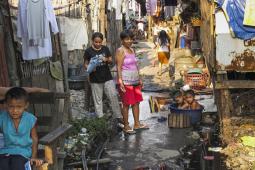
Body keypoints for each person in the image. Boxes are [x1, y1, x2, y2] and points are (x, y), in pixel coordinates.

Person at [0, 87, 43, 169]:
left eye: (19, 107)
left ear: (26, 105)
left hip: (23, 152)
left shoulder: (30, 119)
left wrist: (34, 156)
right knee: (2, 165)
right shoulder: (2, 117)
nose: (15, 110)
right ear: (5, 105)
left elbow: (34, 139)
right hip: (5, 151)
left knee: (17, 165)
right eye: (11, 106)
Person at [116, 30, 149, 134]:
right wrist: (120, 81)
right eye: (126, 39)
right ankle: (126, 126)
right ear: (122, 40)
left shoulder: (132, 50)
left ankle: (137, 124)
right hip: (126, 81)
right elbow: (119, 67)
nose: (129, 41)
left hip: (135, 80)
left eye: (131, 38)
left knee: (136, 102)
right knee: (126, 104)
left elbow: (136, 65)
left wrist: (140, 78)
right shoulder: (120, 50)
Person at [84, 32, 121, 120]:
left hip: (107, 77)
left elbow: (111, 61)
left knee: (113, 96)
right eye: (96, 42)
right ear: (92, 41)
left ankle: (118, 116)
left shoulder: (105, 49)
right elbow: (85, 64)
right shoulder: (88, 51)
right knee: (98, 100)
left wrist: (106, 59)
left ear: (102, 41)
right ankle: (100, 118)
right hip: (95, 78)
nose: (98, 44)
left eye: (100, 42)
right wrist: (90, 67)